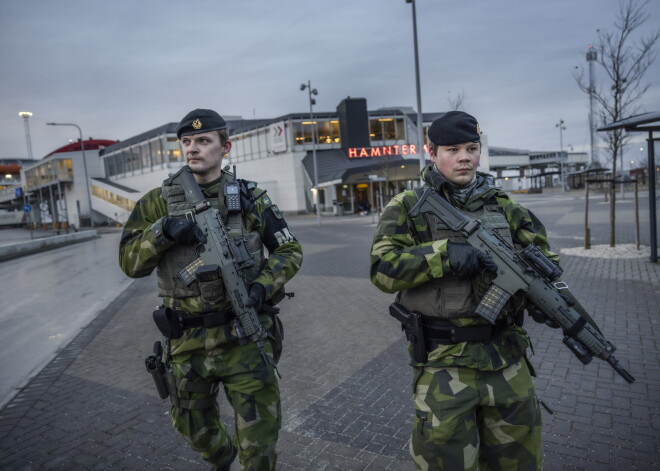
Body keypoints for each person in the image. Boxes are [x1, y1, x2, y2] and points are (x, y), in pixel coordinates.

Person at [369, 111, 559, 470]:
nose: (464, 157)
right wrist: (443, 255)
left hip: (507, 362)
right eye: (453, 149)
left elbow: (542, 256)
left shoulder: (505, 207)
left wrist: (541, 294)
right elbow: (382, 270)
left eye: (472, 148)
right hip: (444, 367)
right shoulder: (408, 207)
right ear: (431, 151)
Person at [119, 109, 303, 471]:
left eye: (203, 141)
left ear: (225, 147)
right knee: (197, 432)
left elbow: (289, 250)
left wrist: (261, 289)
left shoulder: (250, 197)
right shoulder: (157, 202)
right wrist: (164, 232)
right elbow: (129, 263)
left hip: (245, 340)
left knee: (261, 446)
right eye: (186, 142)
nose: (193, 149)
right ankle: (223, 457)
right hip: (187, 343)